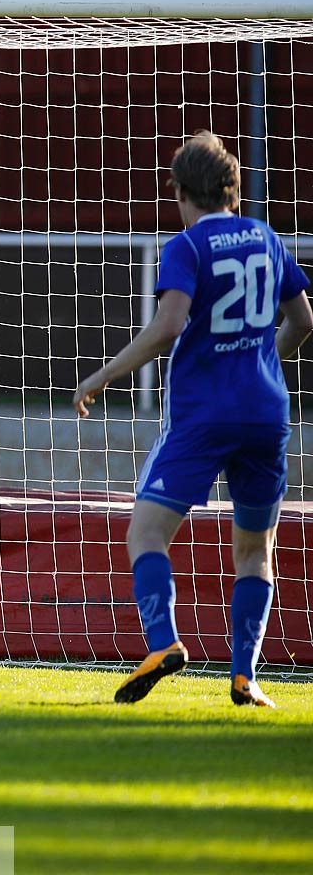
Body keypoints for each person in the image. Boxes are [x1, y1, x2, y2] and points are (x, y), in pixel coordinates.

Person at [74, 131, 311, 708]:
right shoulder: (267, 238)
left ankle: (163, 643)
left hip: (204, 416)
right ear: (234, 186)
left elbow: (169, 325)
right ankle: (244, 677)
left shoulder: (187, 246)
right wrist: (254, 362)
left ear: (180, 191)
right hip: (265, 412)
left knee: (147, 532)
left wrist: (103, 376)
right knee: (255, 550)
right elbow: (304, 320)